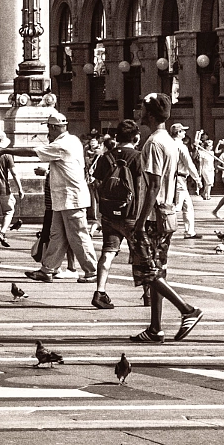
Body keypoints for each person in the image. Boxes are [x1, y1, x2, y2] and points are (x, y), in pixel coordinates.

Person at [130, 94, 203, 344]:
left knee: (148, 272)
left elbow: (153, 186)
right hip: (167, 213)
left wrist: (139, 223)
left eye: (142, 108)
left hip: (152, 216)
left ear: (150, 115)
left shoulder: (152, 143)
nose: (139, 112)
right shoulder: (171, 142)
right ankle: (155, 329)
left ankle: (187, 310)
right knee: (158, 272)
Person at [27, 112, 98, 283]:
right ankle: (48, 269)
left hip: (71, 198)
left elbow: (31, 151)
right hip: (62, 199)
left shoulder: (61, 145)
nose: (47, 134)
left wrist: (5, 150)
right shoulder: (73, 140)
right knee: (57, 235)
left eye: (48, 130)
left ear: (53, 127)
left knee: (78, 235)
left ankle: (92, 270)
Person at [90, 119, 139, 310]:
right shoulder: (138, 156)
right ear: (136, 137)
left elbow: (97, 184)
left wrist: (100, 211)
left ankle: (100, 292)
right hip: (131, 214)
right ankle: (148, 293)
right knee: (141, 254)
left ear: (117, 137)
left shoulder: (106, 157)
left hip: (110, 214)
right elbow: (141, 187)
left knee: (108, 253)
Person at [170, 121, 200, 237]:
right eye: (183, 131)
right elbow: (189, 164)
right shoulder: (180, 146)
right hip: (179, 179)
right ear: (178, 132)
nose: (185, 133)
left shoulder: (169, 144)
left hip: (176, 178)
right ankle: (163, 228)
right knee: (176, 206)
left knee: (188, 206)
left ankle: (189, 231)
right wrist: (197, 179)